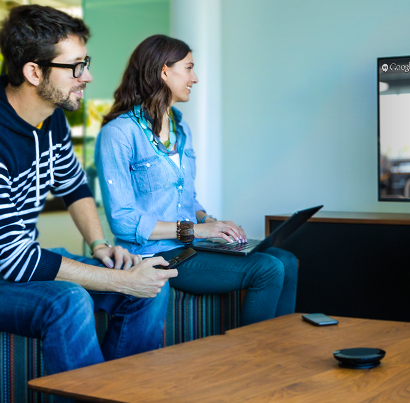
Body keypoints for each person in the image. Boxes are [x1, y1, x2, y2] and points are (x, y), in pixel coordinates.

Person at [0, 5, 175, 403]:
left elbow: (75, 186)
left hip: (10, 261)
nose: (88, 76)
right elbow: (17, 262)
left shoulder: (50, 118)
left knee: (149, 280)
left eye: (87, 63)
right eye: (76, 66)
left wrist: (102, 249)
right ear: (33, 72)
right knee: (67, 300)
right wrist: (120, 281)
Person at [95, 35, 298, 326]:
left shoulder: (181, 128)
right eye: (189, 68)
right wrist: (198, 231)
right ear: (164, 71)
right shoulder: (119, 133)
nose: (196, 78)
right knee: (267, 269)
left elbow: (187, 199)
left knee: (286, 260)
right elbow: (123, 221)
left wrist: (213, 223)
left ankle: (282, 351)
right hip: (157, 254)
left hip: (191, 246)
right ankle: (256, 359)